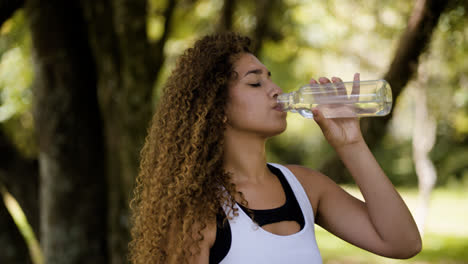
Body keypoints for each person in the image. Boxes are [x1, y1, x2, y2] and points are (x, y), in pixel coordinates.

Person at [128, 32, 422, 264]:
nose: (276, 90)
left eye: (270, 77)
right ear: (216, 109)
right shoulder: (196, 211)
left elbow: (403, 243)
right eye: (255, 83)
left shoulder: (305, 187)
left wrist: (352, 144)